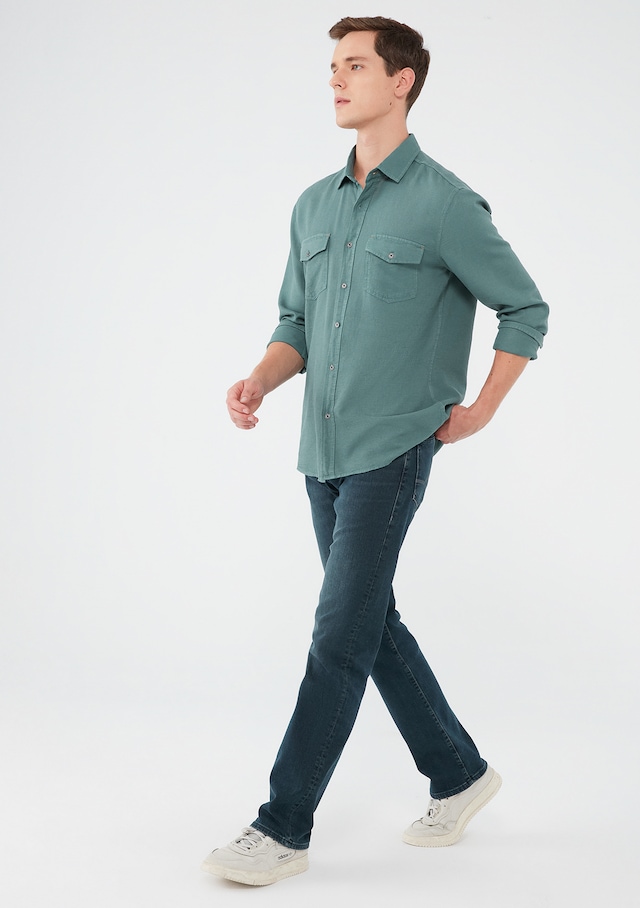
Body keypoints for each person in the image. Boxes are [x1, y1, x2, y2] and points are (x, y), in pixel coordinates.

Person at [202, 16, 549, 887]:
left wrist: (481, 410)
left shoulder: (445, 203)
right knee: (368, 622)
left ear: (402, 82)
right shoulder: (313, 205)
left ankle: (283, 827)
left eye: (354, 65)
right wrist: (260, 379)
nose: (335, 78)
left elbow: (525, 308)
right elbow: (296, 320)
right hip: (320, 450)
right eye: (333, 65)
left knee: (339, 637)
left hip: (393, 450)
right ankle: (459, 772)